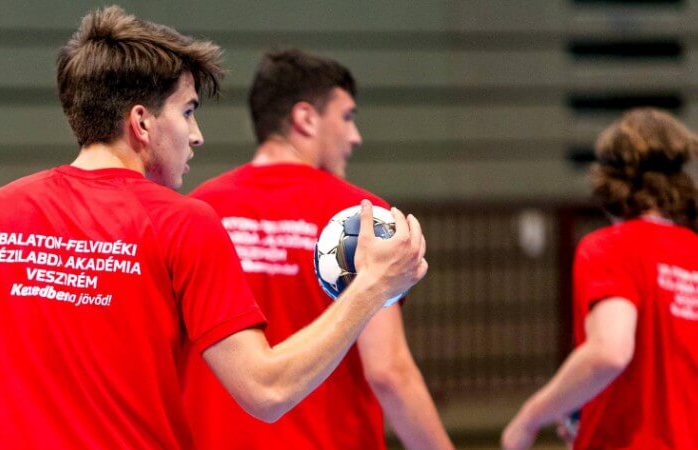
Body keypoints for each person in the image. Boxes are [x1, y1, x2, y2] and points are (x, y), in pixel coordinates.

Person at [0, 7, 429, 450]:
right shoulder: (183, 222)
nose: (197, 135)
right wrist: (371, 287)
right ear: (142, 122)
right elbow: (267, 390)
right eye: (188, 111)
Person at [182, 49, 453, 450]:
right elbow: (388, 372)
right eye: (347, 117)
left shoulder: (198, 210)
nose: (355, 136)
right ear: (306, 118)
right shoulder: (361, 220)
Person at [501, 108, 698, 450]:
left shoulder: (610, 248)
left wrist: (529, 418)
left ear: (608, 180)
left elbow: (609, 352)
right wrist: (585, 409)